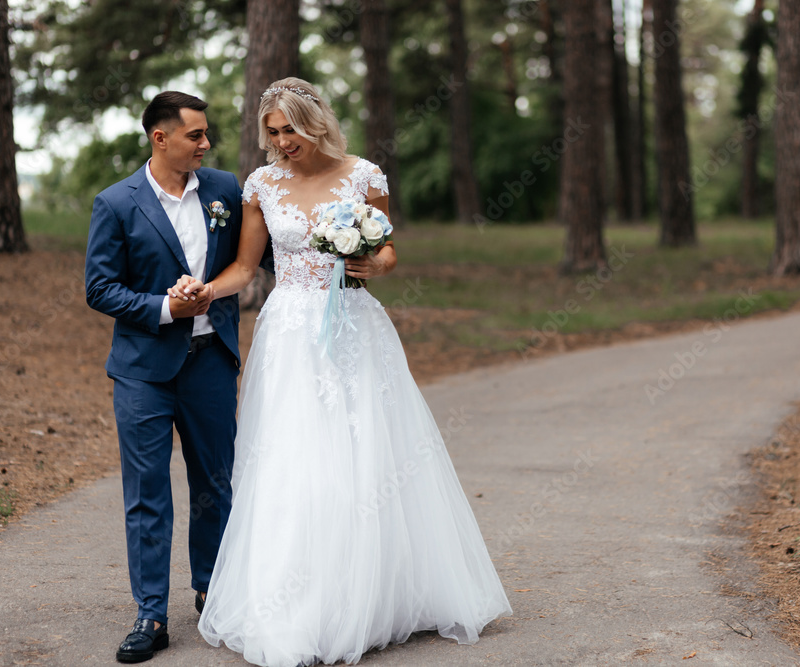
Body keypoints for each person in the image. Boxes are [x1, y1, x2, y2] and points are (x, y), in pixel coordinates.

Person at [171, 77, 511, 666]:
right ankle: (297, 599)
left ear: (317, 121)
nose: (282, 143)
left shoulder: (365, 175)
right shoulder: (261, 185)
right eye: (272, 133)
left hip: (354, 325)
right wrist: (204, 289)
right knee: (294, 453)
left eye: (291, 130)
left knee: (370, 450)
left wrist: (372, 263)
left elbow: (387, 251)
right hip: (288, 332)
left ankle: (377, 593)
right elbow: (247, 267)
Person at [84, 91, 245, 663]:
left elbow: (254, 259)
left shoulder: (226, 190)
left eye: (206, 135)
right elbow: (99, 287)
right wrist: (163, 307)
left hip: (209, 363)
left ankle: (214, 594)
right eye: (196, 135)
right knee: (147, 493)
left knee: (215, 484)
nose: (207, 144)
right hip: (143, 372)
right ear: (161, 139)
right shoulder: (116, 202)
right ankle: (151, 614)